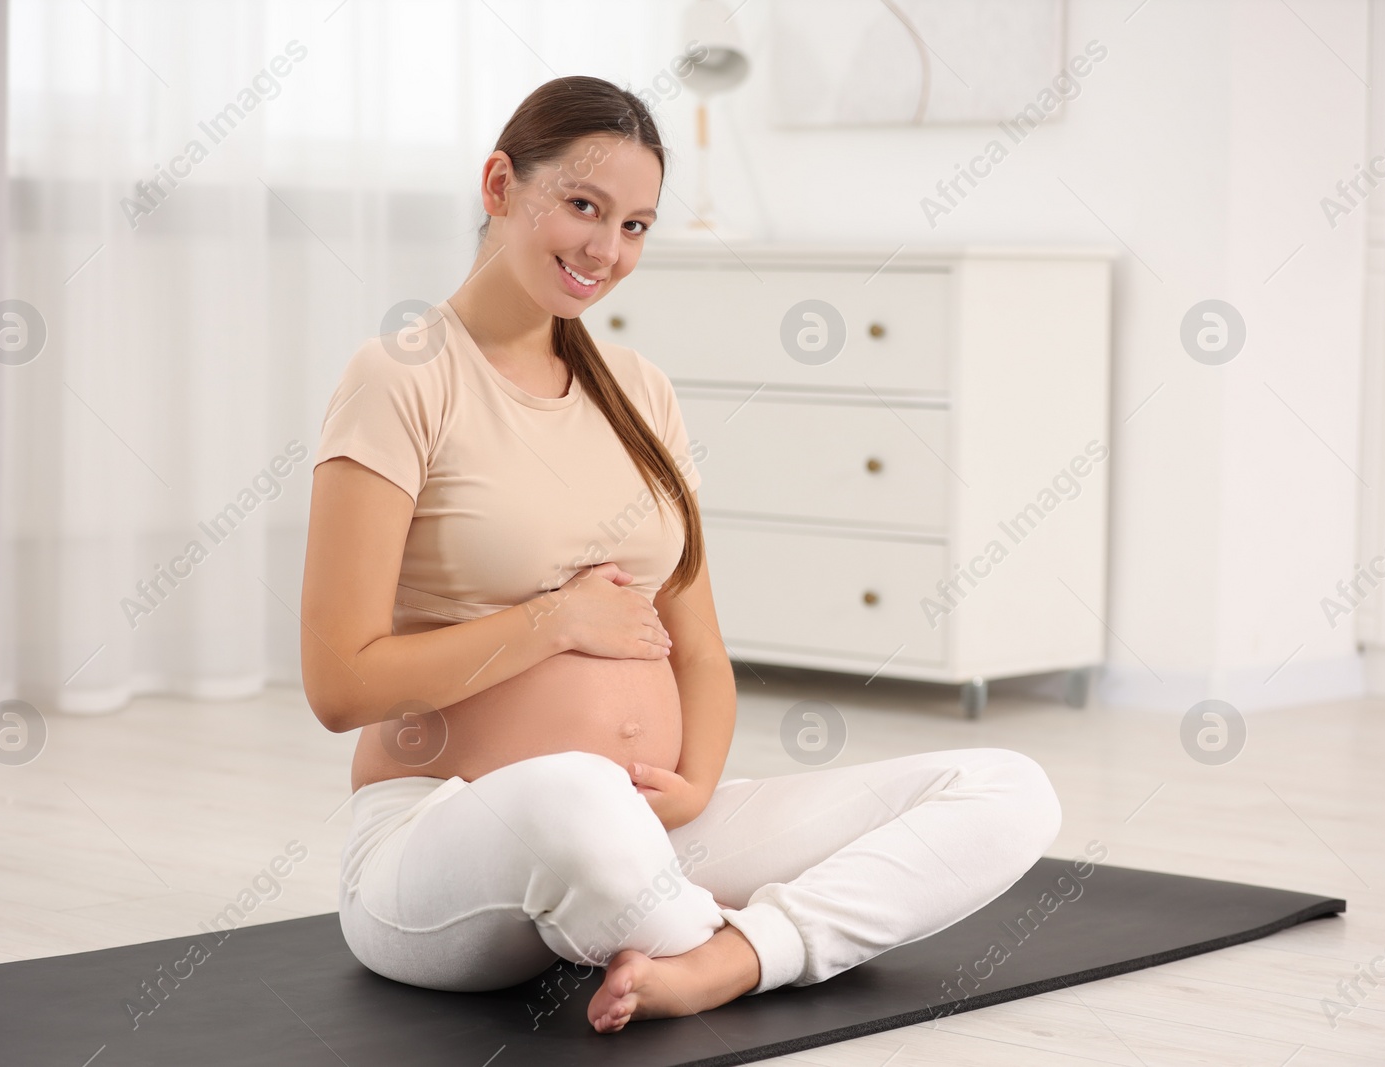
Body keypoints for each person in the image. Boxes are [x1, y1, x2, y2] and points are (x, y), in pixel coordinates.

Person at [299, 74, 1061, 1035]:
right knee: (574, 789)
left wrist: (697, 782)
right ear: (499, 186)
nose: (606, 250)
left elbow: (699, 650)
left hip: (655, 830)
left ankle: (727, 961)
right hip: (440, 842)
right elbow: (339, 682)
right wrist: (554, 622)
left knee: (1006, 788)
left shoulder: (641, 390)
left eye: (636, 226)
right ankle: (722, 938)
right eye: (583, 206)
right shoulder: (401, 376)